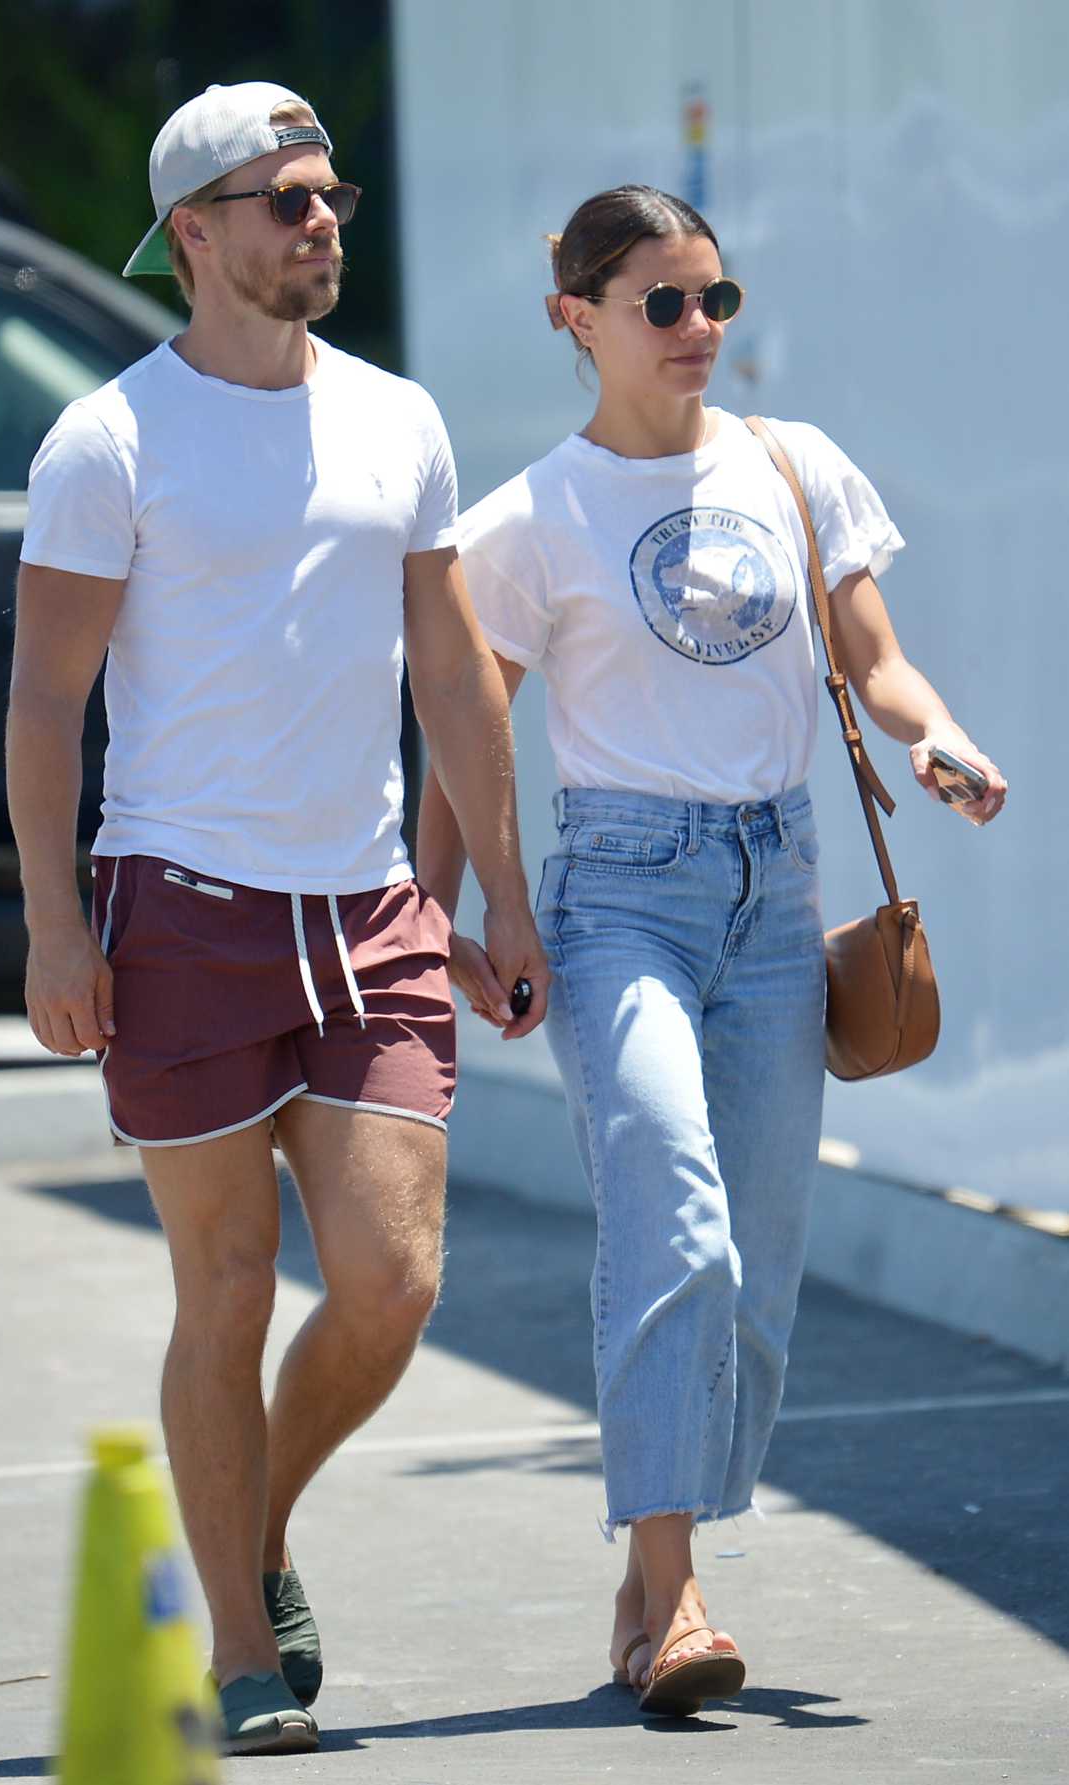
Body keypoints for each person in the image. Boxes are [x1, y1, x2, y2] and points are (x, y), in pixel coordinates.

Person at [6, 80, 547, 1757]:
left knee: (389, 1281)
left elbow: (452, 672)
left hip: (369, 908)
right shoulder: (108, 440)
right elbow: (45, 701)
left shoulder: (398, 416)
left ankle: (255, 1527)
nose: (320, 221)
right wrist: (54, 924)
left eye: (330, 195)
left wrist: (503, 895)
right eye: (283, 199)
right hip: (181, 907)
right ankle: (240, 1640)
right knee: (226, 1282)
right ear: (194, 232)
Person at [416, 184, 1007, 1719]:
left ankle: (646, 1567)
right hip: (618, 894)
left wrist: (934, 739)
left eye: (715, 301)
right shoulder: (531, 513)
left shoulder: (792, 466)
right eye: (662, 304)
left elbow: (872, 659)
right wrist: (466, 906)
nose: (696, 330)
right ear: (577, 317)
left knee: (755, 1271)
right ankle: (676, 1592)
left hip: (775, 884)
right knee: (672, 1214)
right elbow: (464, 725)